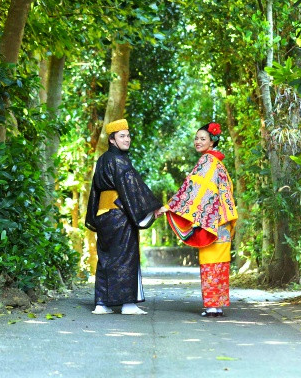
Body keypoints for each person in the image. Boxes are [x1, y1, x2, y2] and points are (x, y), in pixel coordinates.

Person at [159, 122, 238, 317]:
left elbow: (192, 189)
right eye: (196, 138)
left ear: (212, 142)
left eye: (203, 139)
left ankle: (211, 306)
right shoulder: (219, 163)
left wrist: (169, 206)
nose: (198, 141)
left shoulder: (207, 162)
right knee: (220, 263)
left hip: (212, 222)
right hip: (223, 221)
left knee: (210, 262)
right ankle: (217, 306)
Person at [85, 119, 163, 315]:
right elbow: (132, 187)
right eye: (122, 136)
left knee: (106, 259)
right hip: (119, 215)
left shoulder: (103, 160)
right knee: (126, 257)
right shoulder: (119, 161)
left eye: (128, 135)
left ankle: (101, 304)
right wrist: (152, 207)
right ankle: (128, 304)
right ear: (112, 140)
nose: (127, 139)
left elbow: (95, 190)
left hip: (103, 215)